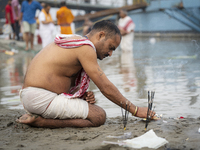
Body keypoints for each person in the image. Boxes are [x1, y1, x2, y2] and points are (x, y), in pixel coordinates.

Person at [17, 20, 155, 128]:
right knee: (98, 116)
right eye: (110, 47)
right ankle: (42, 122)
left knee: (91, 109)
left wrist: (82, 95)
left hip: (32, 96)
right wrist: (135, 110)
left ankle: (39, 117)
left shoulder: (77, 42)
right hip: (40, 98)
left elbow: (64, 77)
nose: (110, 54)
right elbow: (105, 87)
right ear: (101, 35)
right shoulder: (86, 47)